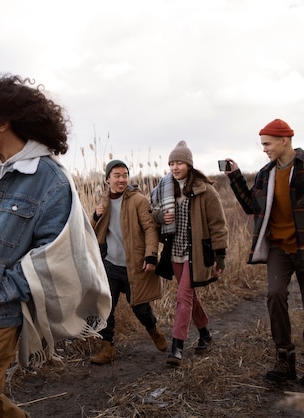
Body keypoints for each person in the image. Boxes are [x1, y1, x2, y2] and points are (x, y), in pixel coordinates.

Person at [0, 75, 111, 418]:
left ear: (2, 124)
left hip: (0, 309)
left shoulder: (50, 180)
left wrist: (4, 287)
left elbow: (58, 251)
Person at [225, 118, 304, 383]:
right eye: (262, 144)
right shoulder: (265, 174)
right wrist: (235, 177)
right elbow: (251, 206)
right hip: (279, 249)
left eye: (267, 143)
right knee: (274, 295)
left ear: (285, 140)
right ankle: (285, 361)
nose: (264, 149)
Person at [151, 140, 228, 367]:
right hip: (174, 252)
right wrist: (158, 218)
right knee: (189, 296)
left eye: (179, 163)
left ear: (189, 165)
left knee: (183, 297)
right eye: (171, 163)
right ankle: (205, 334)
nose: (175, 167)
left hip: (196, 254)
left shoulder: (205, 190)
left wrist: (220, 256)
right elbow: (150, 212)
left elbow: (218, 225)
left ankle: (177, 347)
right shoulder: (165, 188)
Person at [90, 160, 167, 365]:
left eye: (125, 175)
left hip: (134, 266)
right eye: (117, 175)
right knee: (106, 308)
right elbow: (92, 231)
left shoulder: (138, 201)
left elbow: (150, 228)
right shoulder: (103, 201)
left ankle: (154, 330)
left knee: (140, 308)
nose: (122, 179)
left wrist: (151, 255)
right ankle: (107, 349)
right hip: (110, 265)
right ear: (108, 179)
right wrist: (96, 216)